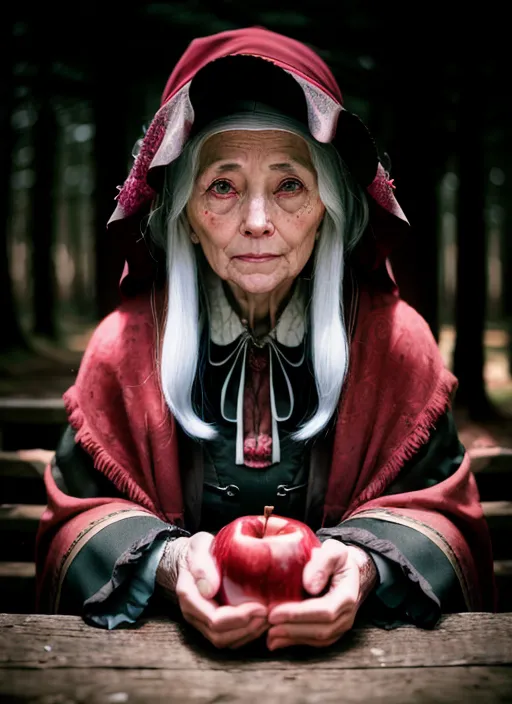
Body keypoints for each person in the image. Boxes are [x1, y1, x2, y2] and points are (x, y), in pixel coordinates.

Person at [36, 26, 494, 651]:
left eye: (289, 186)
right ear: (187, 218)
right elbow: (73, 517)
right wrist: (166, 566)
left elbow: (447, 518)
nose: (256, 223)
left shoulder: (396, 345)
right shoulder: (124, 349)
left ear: (328, 208)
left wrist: (365, 567)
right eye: (222, 186)